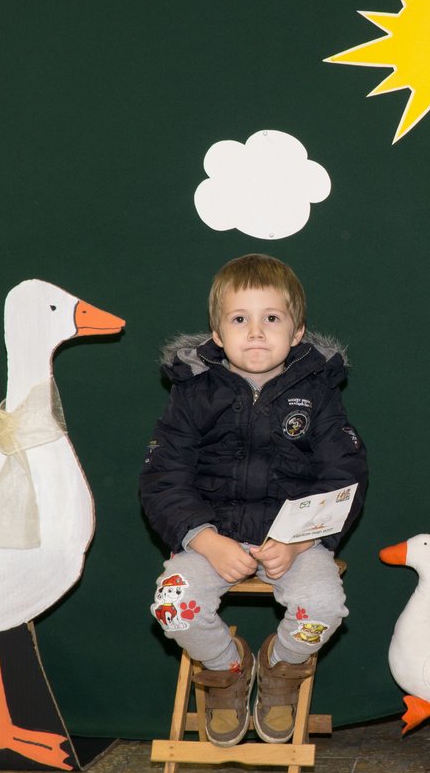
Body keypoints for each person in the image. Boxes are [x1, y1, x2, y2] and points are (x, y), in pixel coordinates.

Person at [141, 253, 368, 747]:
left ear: (297, 333)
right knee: (173, 606)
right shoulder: (193, 392)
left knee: (324, 608)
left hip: (294, 544)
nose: (257, 332)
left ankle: (280, 666)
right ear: (218, 335)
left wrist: (298, 542)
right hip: (211, 540)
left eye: (272, 319)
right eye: (240, 320)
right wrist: (204, 539)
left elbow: (344, 475)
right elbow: (163, 477)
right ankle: (227, 668)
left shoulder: (318, 393)